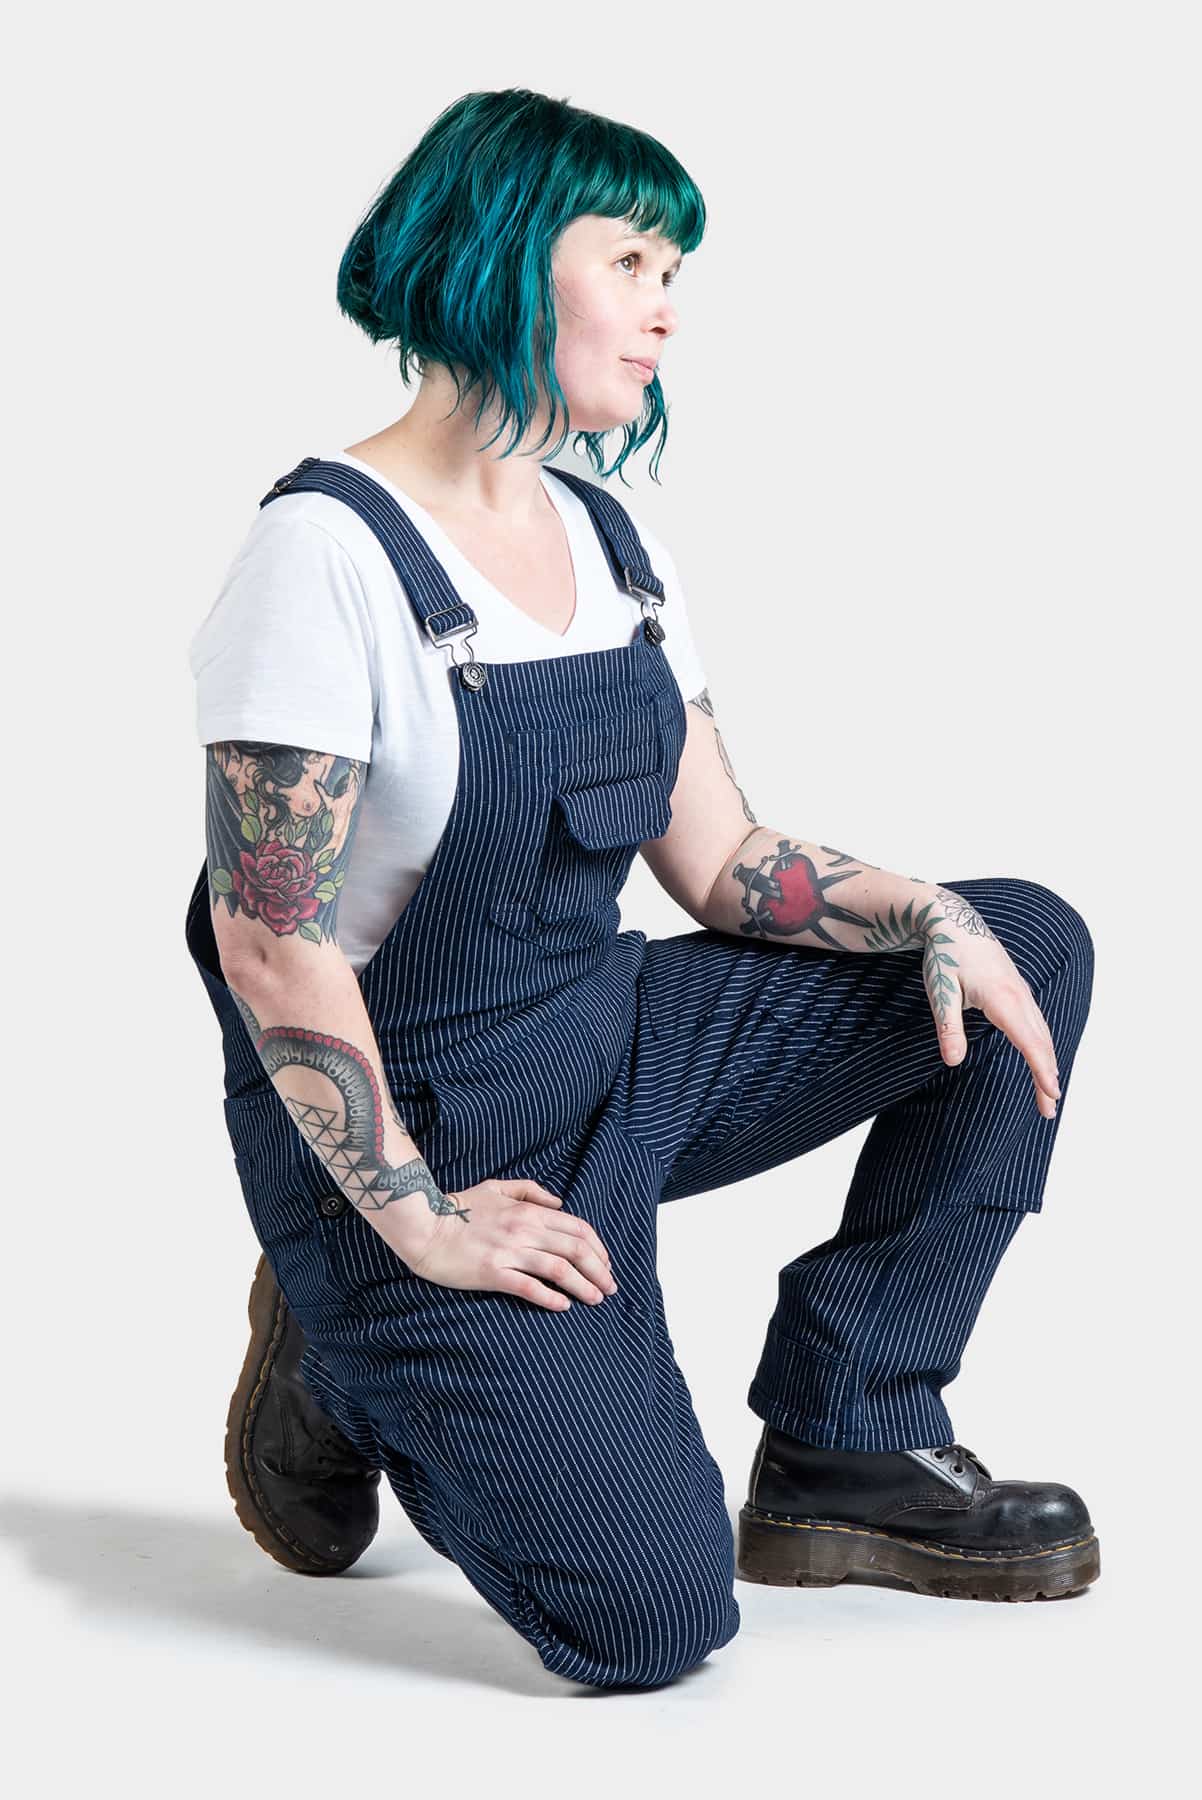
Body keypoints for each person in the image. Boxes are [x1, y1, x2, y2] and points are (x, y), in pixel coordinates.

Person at [185, 87, 1098, 1691]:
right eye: (630, 260)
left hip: (615, 1046)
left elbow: (722, 862)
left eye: (674, 269)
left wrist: (926, 915)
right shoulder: (323, 556)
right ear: (500, 258)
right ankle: (338, 1338)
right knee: (651, 1620)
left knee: (1017, 940)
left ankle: (848, 1433)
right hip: (424, 1129)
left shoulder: (609, 541)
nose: (667, 305)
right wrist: (418, 1221)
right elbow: (270, 946)